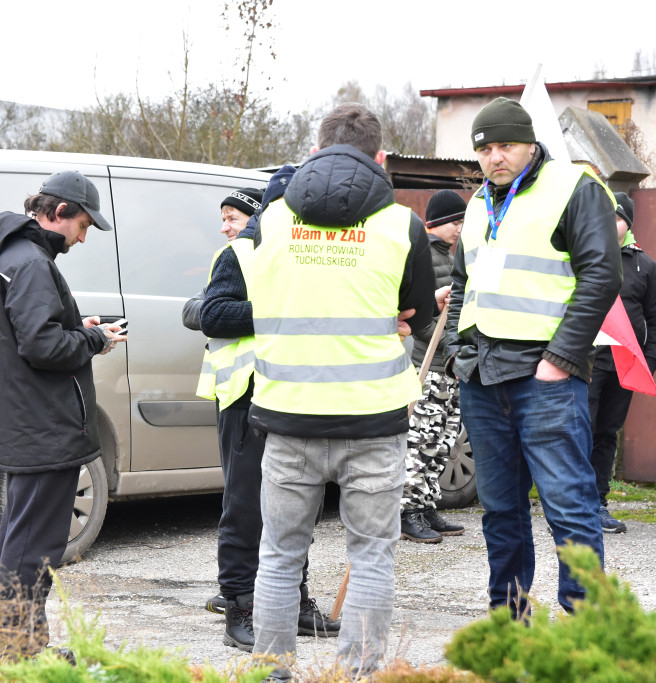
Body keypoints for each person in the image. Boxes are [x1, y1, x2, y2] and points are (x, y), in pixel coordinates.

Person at [248, 103, 434, 678]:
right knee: (373, 557)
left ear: (314, 151)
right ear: (380, 159)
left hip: (288, 416)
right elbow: (419, 312)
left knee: (279, 557)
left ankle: (272, 673)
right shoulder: (403, 225)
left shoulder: (270, 218)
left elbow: (256, 293)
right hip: (373, 420)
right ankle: (358, 675)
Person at [444, 97, 621, 617]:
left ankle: (585, 624)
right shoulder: (479, 204)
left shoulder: (576, 188)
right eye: (486, 149)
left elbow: (601, 277)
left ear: (530, 143)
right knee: (500, 511)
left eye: (506, 146)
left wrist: (561, 359)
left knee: (569, 505)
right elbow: (462, 283)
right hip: (482, 376)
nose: (495, 157)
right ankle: (509, 617)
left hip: (544, 375)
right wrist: (458, 349)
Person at [0, 170, 126, 662]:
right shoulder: (30, 262)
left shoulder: (12, 257)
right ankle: (18, 655)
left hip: (30, 422)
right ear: (58, 212)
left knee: (27, 540)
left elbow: (35, 333)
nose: (83, 237)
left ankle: (27, 647)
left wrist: (77, 326)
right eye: (82, 224)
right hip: (43, 425)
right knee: (32, 546)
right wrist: (94, 341)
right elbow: (41, 345)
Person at [190, 180, 341, 652]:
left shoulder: (312, 251)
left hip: (298, 394)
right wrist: (280, 311)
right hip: (247, 396)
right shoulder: (242, 252)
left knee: (300, 503)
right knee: (247, 505)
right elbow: (213, 315)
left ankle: (290, 602)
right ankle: (240, 606)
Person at [402, 190, 467, 543]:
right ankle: (407, 510)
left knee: (442, 441)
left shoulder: (450, 257)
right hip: (429, 368)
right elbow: (421, 317)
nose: (459, 228)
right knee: (421, 440)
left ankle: (426, 505)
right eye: (456, 221)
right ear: (438, 222)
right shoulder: (425, 256)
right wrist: (450, 344)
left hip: (450, 367)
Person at [588, 192, 656, 534]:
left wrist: (649, 360)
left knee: (605, 434)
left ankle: (597, 503)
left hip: (623, 363)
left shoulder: (645, 265)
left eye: (615, 217)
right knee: (577, 432)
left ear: (627, 223)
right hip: (584, 363)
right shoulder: (582, 256)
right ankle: (572, 505)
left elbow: (653, 318)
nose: (607, 223)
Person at [181, 187, 263, 331]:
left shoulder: (271, 254)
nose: (223, 228)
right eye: (224, 220)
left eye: (232, 219)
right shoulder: (229, 253)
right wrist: (212, 308)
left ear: (256, 219)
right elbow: (189, 312)